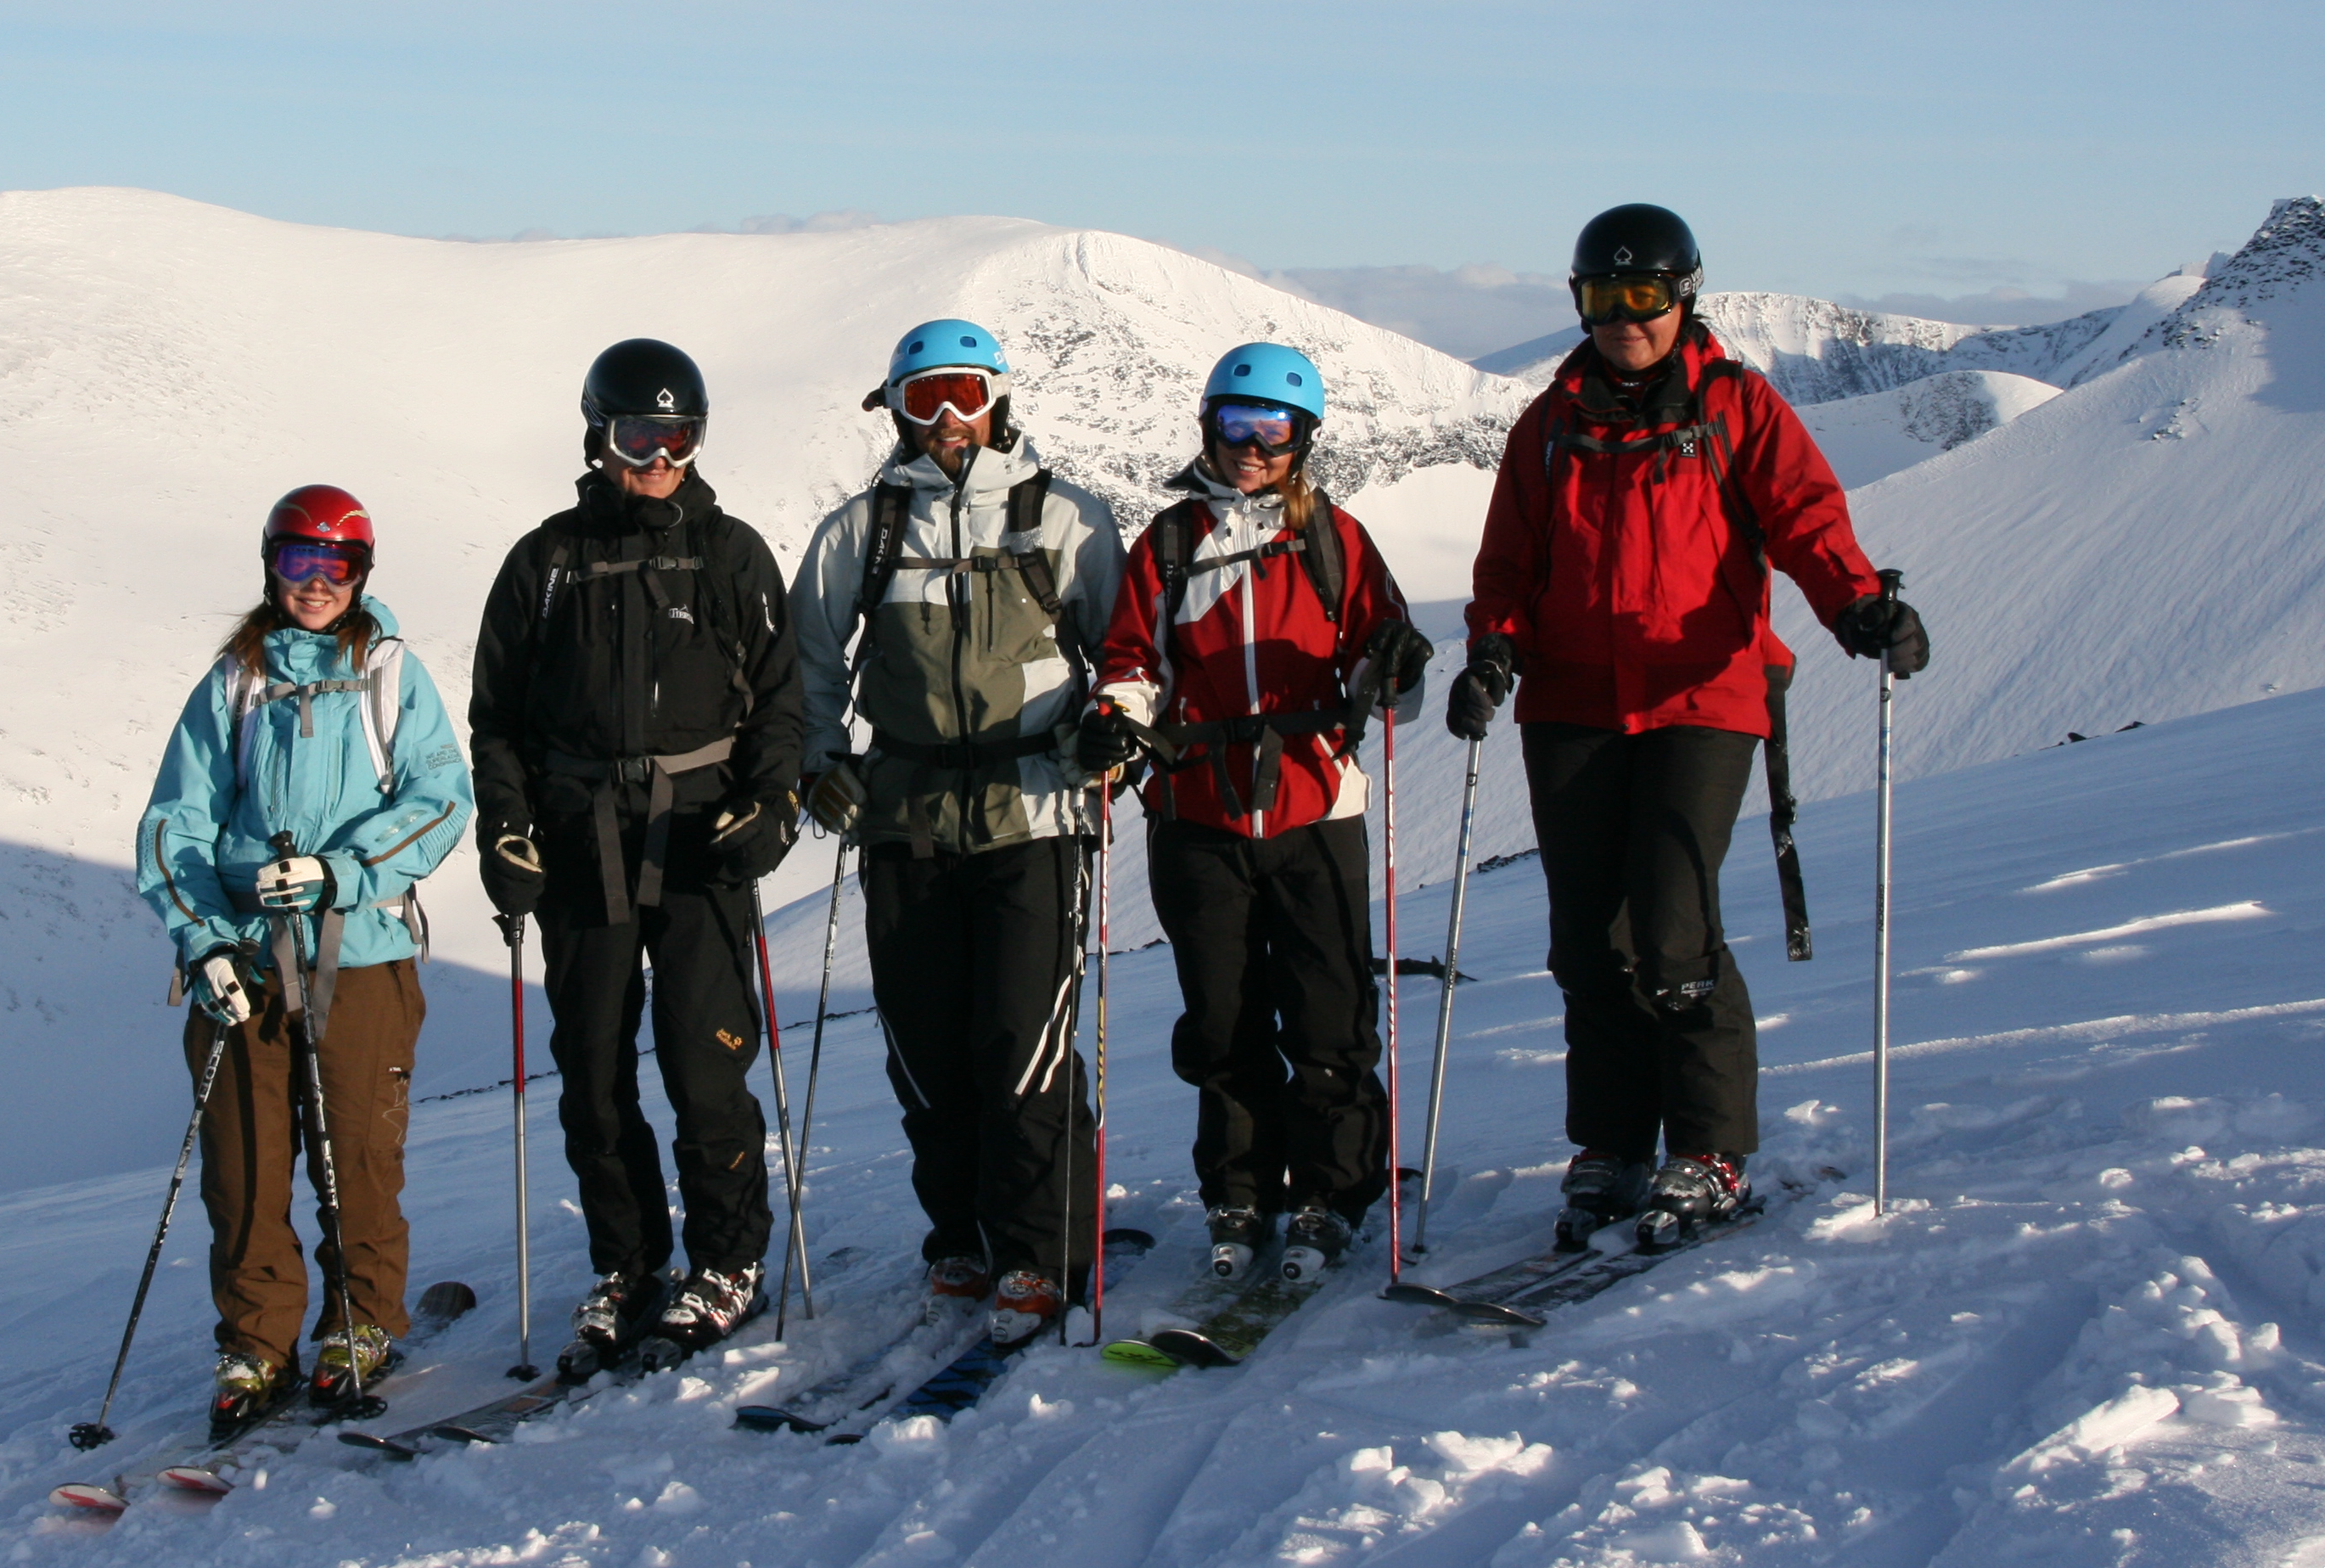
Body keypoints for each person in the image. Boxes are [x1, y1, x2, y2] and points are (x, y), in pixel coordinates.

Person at [1451, 204, 1929, 1243]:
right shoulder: (1551, 424)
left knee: (1671, 927)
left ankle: (1711, 1148)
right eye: (1602, 296)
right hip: (1573, 699)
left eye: (1645, 295)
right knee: (1588, 937)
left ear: (1684, 296)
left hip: (1703, 696)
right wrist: (1496, 644)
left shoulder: (1735, 407)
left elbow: (1805, 517)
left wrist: (1857, 605)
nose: (1626, 317)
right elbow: (1509, 565)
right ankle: (1614, 1145)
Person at [467, 340, 807, 1374]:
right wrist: (507, 829)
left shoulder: (732, 554)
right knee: (596, 1077)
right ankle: (628, 1266)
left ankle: (726, 1262)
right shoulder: (545, 563)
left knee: (708, 1066)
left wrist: (773, 802)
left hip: (703, 840)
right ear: (598, 435)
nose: (660, 457)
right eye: (639, 435)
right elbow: (499, 721)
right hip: (580, 843)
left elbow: (780, 700)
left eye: (679, 436)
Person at [790, 319, 1121, 1342]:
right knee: (927, 1045)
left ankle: (1039, 1249)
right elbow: (809, 659)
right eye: (924, 397)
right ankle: (963, 1237)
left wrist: (1115, 729)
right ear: (895, 410)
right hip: (905, 815)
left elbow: (1127, 649)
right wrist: (820, 760)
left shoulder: (1065, 518)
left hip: (1035, 811)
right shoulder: (862, 530)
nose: (946, 419)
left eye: (965, 394)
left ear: (999, 401)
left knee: (1022, 1040)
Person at [1081, 343, 1430, 1284]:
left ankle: (1333, 1190)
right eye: (1237, 425)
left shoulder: (1336, 540)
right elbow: (1131, 662)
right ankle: (1241, 1191)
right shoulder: (1167, 541)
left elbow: (1382, 673)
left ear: (1304, 441)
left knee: (1329, 1018)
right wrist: (1119, 720)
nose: (1252, 447)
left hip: (1315, 806)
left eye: (1273, 430)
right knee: (1224, 1023)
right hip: (1198, 812)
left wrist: (1394, 665)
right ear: (1209, 425)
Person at [135, 485, 475, 1437]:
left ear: (362, 575)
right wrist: (200, 935)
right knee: (242, 1165)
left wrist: (339, 871)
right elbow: (177, 823)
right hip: (243, 958)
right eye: (297, 562)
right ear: (269, 565)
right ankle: (257, 1341)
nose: (315, 583)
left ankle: (361, 1322)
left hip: (359, 954)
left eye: (335, 565)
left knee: (357, 1154)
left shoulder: (390, 675)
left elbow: (442, 797)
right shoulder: (234, 682)